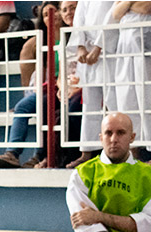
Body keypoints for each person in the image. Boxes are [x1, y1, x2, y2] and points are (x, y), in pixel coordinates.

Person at [0, 0, 82, 169]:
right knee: (23, 106)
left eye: (54, 12)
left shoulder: (73, 36)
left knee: (47, 107)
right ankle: (12, 153)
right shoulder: (40, 42)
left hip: (71, 85)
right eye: (45, 14)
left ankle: (40, 156)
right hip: (52, 86)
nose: (51, 17)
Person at [108, 1, 151, 168]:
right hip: (127, 44)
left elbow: (146, 7)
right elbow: (115, 13)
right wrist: (131, 3)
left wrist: (126, 4)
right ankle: (132, 152)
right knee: (127, 99)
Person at [65, 0, 117, 168]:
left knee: (114, 103)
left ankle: (118, 154)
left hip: (110, 51)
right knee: (89, 106)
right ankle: (86, 153)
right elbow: (79, 18)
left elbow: (113, 16)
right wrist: (80, 47)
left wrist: (99, 47)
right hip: (87, 53)